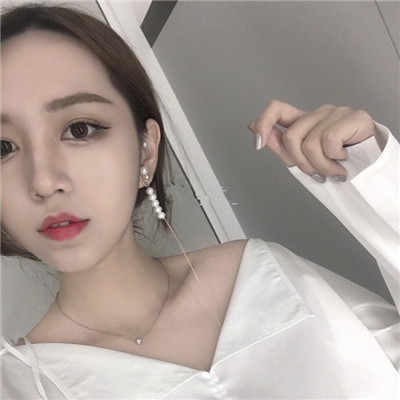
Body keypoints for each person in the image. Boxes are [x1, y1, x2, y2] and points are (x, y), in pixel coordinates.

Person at [1, 3, 398, 399]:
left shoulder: (268, 277)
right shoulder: (21, 386)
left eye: (79, 129)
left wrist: (377, 179)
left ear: (146, 149)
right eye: (3, 147)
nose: (44, 181)